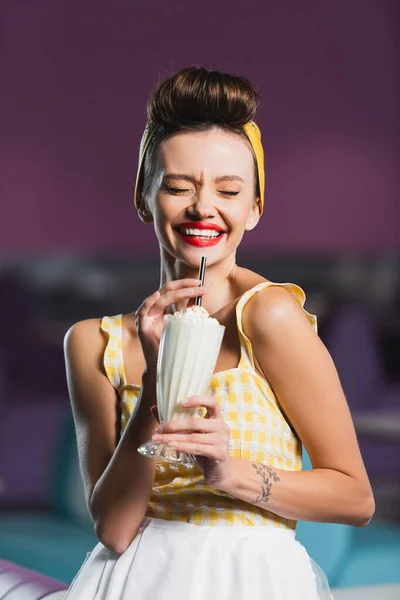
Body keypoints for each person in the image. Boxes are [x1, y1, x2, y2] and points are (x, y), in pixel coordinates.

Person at [63, 66, 375, 599]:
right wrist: (154, 398)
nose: (203, 207)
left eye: (228, 191)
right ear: (144, 198)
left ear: (253, 209)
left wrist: (229, 473)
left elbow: (355, 499)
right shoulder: (94, 343)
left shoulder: (271, 317)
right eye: (179, 187)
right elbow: (114, 529)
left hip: (249, 581)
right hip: (132, 583)